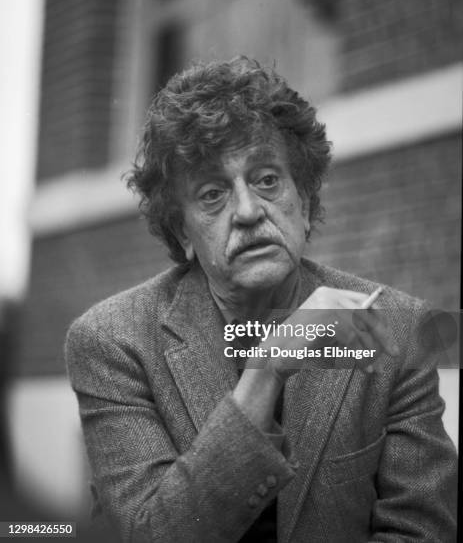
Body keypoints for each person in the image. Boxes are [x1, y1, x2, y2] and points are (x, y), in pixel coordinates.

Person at [65, 57, 457, 542]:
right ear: (181, 232)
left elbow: (424, 531)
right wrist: (267, 369)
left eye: (267, 179)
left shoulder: (392, 329)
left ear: (306, 203)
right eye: (212, 193)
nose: (249, 211)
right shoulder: (114, 342)